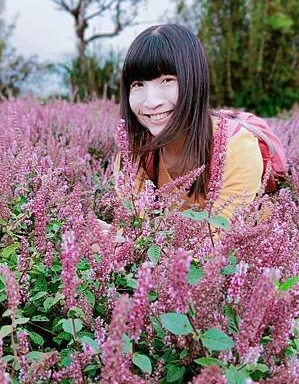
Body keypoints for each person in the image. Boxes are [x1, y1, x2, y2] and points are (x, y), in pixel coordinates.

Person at [96, 23, 263, 239]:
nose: (151, 101)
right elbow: (140, 233)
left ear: (195, 81)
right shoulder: (133, 155)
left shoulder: (237, 148)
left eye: (167, 80)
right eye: (138, 84)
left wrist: (122, 244)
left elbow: (213, 246)